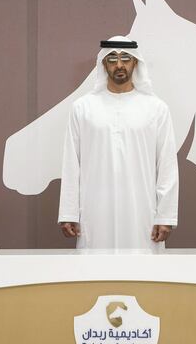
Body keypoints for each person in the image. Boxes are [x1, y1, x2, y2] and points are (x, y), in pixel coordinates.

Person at [58, 36, 179, 250]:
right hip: (94, 212)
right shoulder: (83, 108)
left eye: (126, 58)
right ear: (104, 63)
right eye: (112, 59)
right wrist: (68, 212)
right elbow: (71, 165)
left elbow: (167, 166)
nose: (119, 65)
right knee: (95, 275)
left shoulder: (156, 109)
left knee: (143, 277)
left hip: (141, 211)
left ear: (136, 63)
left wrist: (165, 216)